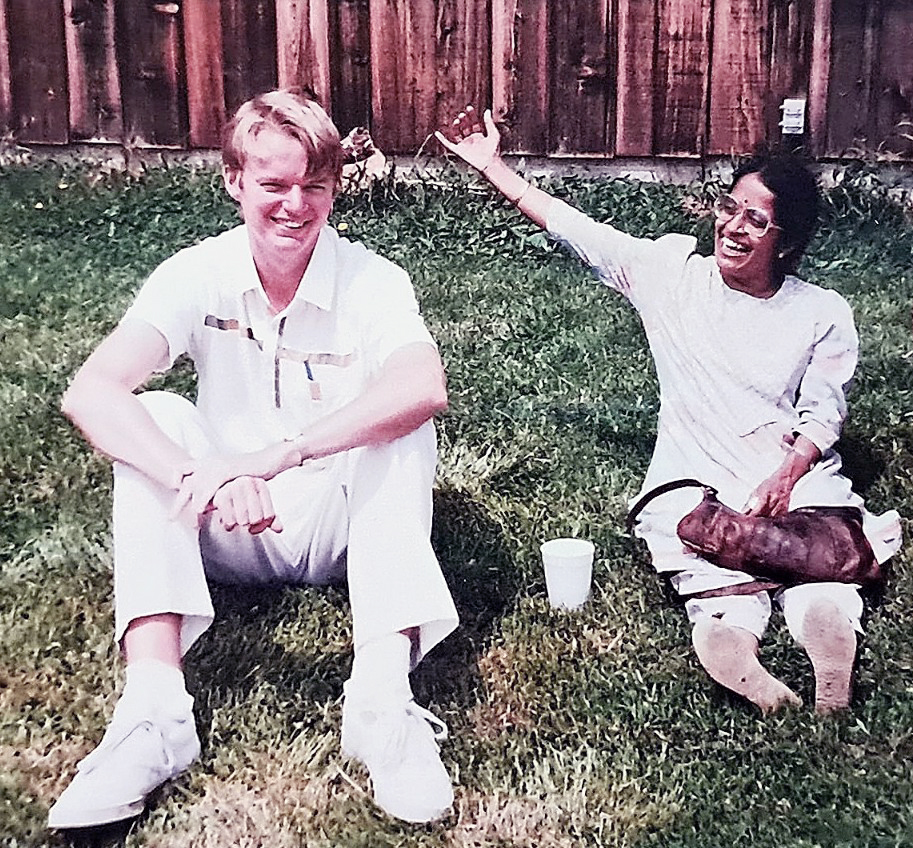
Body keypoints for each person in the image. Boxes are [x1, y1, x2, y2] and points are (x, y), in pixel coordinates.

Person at [49, 89, 459, 829]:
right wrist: (194, 475)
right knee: (158, 413)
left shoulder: (373, 279)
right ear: (234, 181)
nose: (294, 207)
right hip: (220, 522)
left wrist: (279, 456)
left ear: (335, 188)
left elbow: (422, 385)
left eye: (314, 187)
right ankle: (153, 713)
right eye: (272, 184)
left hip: (337, 525)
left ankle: (380, 701)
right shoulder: (194, 271)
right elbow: (91, 392)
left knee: (399, 427)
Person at [436, 107, 902, 715]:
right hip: (697, 479)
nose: (732, 227)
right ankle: (757, 637)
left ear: (785, 241)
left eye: (755, 221)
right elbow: (575, 227)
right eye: (728, 208)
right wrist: (494, 167)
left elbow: (823, 412)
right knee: (737, 540)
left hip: (794, 478)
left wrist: (785, 476)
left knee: (779, 559)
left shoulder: (821, 311)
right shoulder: (672, 274)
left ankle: (823, 654)